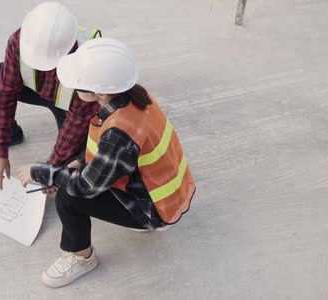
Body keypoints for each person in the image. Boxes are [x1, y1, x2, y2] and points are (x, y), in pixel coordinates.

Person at [17, 38, 196, 288]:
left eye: (79, 81)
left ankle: (81, 257)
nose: (73, 86)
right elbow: (108, 151)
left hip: (152, 210)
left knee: (68, 198)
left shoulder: (119, 133)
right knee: (70, 173)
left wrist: (41, 171)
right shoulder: (136, 96)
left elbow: (84, 187)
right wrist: (79, 161)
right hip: (164, 193)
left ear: (101, 92)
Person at [0, 2, 102, 189]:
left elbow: (78, 119)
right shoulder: (23, 39)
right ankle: (12, 134)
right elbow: (5, 93)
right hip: (36, 88)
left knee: (73, 164)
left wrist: (50, 169)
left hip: (71, 105)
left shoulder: (87, 61)